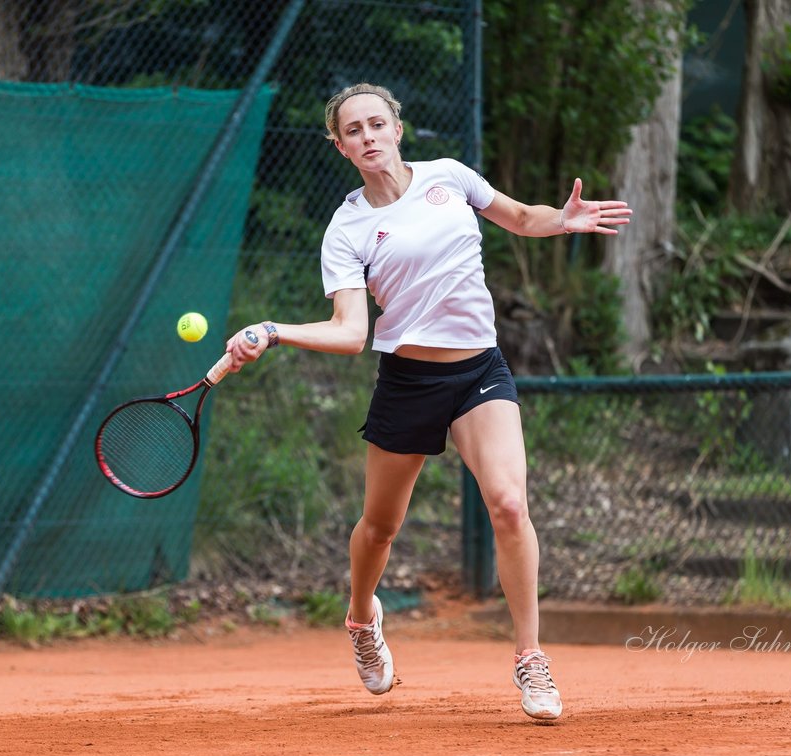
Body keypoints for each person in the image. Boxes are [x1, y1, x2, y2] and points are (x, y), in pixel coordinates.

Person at [224, 82, 631, 721]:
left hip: (479, 372)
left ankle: (530, 658)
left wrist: (562, 219)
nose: (367, 136)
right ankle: (362, 618)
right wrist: (275, 330)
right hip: (408, 382)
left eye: (376, 124)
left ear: (397, 129)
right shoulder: (347, 227)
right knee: (380, 527)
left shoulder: (449, 177)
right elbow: (351, 332)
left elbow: (520, 217)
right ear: (340, 146)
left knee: (508, 502)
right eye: (353, 130)